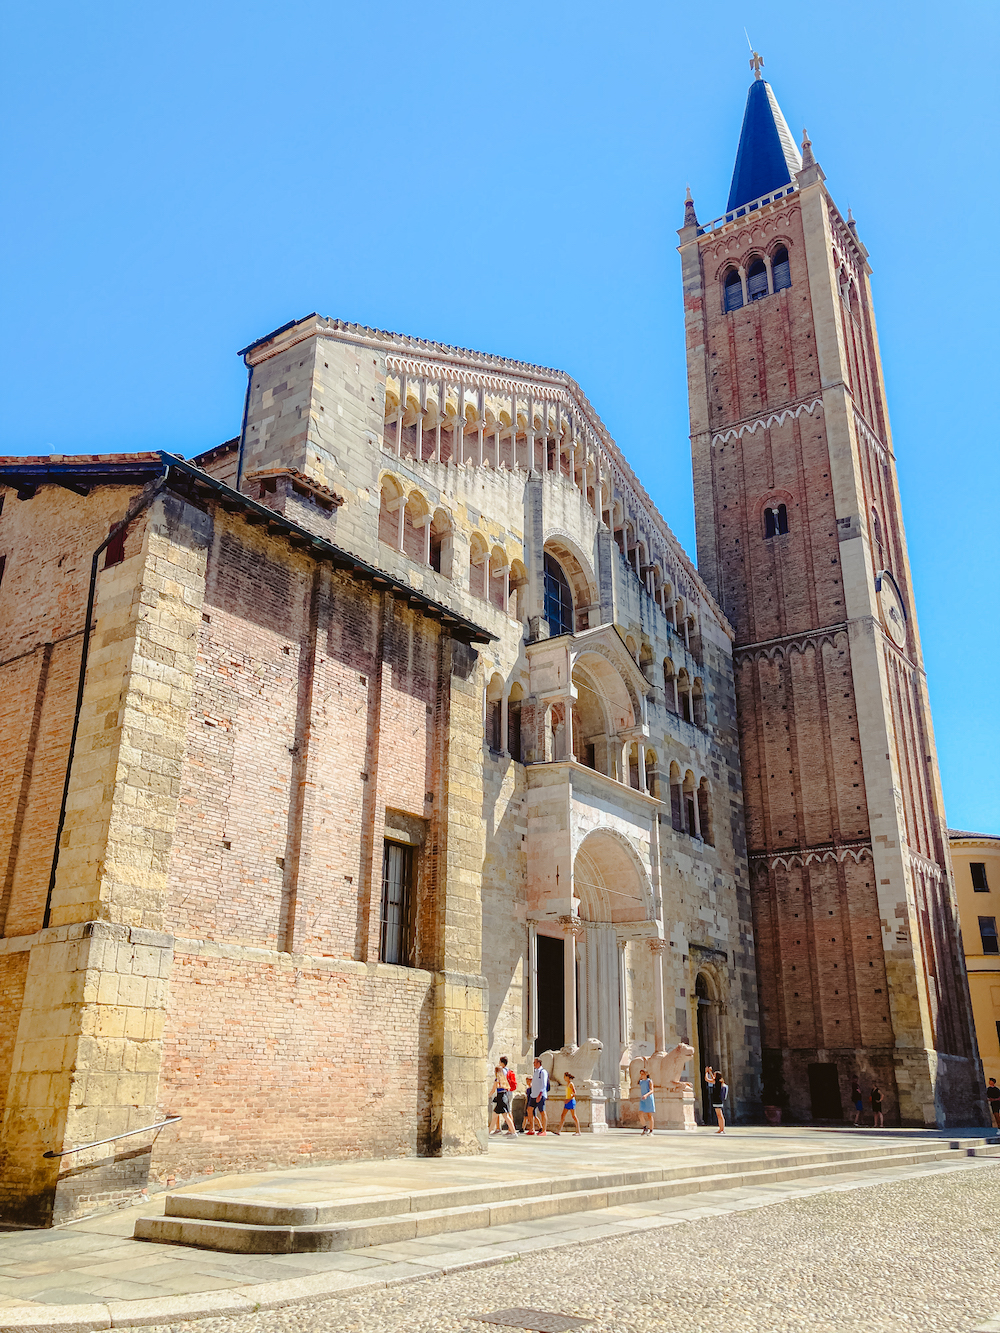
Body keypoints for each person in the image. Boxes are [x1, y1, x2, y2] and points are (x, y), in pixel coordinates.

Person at [525, 1057, 549, 1135]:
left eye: (534, 1063)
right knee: (529, 1110)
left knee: (542, 1112)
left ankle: (544, 1130)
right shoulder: (535, 1072)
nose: (533, 1064)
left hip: (540, 1095)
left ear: (538, 1063)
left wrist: (540, 1094)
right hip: (533, 1095)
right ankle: (532, 1129)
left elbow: (544, 1084)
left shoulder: (543, 1072)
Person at [491, 1064, 516, 1137]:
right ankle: (490, 1132)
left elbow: (493, 1090)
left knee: (505, 1116)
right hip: (505, 1097)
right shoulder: (504, 1079)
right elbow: (507, 1088)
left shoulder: (497, 1080)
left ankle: (514, 1132)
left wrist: (488, 1096)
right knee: (495, 1116)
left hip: (501, 1099)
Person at [705, 1065, 728, 1133]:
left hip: (717, 1100)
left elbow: (707, 1079)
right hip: (718, 1100)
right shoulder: (719, 1082)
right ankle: (721, 1128)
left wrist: (706, 1072)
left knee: (719, 1115)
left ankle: (721, 1129)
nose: (713, 1076)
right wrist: (710, 1071)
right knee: (720, 1115)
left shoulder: (717, 1082)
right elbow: (713, 1078)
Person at [638, 1069, 656, 1136]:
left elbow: (652, 1090)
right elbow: (637, 1082)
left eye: (642, 1074)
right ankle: (645, 1128)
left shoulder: (649, 1081)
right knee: (640, 1113)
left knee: (649, 1115)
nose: (641, 1075)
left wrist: (646, 1095)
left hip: (648, 1098)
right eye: (641, 1074)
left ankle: (651, 1130)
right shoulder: (641, 1082)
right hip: (643, 1099)